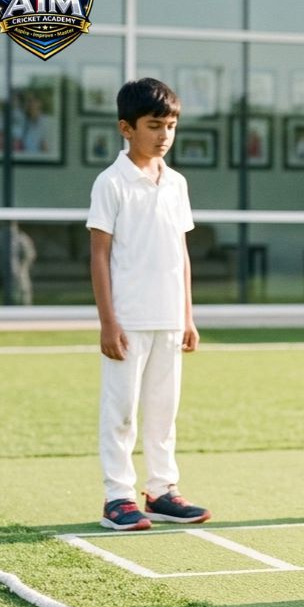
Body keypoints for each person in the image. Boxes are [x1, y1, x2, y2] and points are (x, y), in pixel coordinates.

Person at [87, 78, 209, 531]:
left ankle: (161, 491)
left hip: (168, 320)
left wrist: (187, 316)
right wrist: (108, 323)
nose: (164, 136)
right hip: (128, 319)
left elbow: (180, 252)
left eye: (171, 126)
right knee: (120, 412)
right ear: (126, 128)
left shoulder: (176, 183)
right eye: (154, 125)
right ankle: (117, 497)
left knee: (163, 409)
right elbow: (99, 254)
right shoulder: (111, 183)